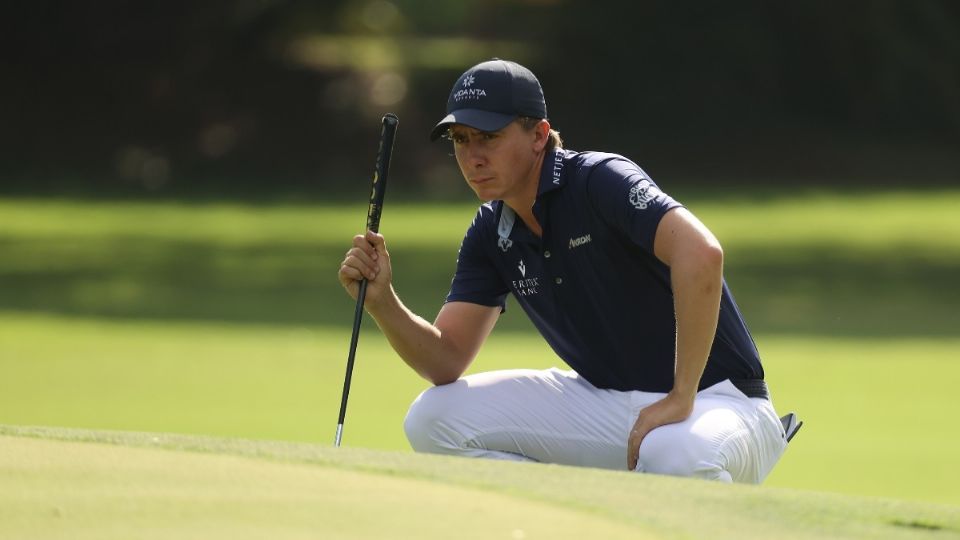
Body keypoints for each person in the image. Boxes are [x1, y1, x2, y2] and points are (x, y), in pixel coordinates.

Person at [338, 59, 789, 482]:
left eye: (488, 137)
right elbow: (445, 359)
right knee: (433, 420)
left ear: (539, 135)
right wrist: (383, 303)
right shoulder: (491, 230)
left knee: (674, 455)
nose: (472, 157)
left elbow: (702, 255)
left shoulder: (599, 180)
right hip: (609, 406)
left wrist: (681, 395)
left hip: (719, 402)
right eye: (460, 140)